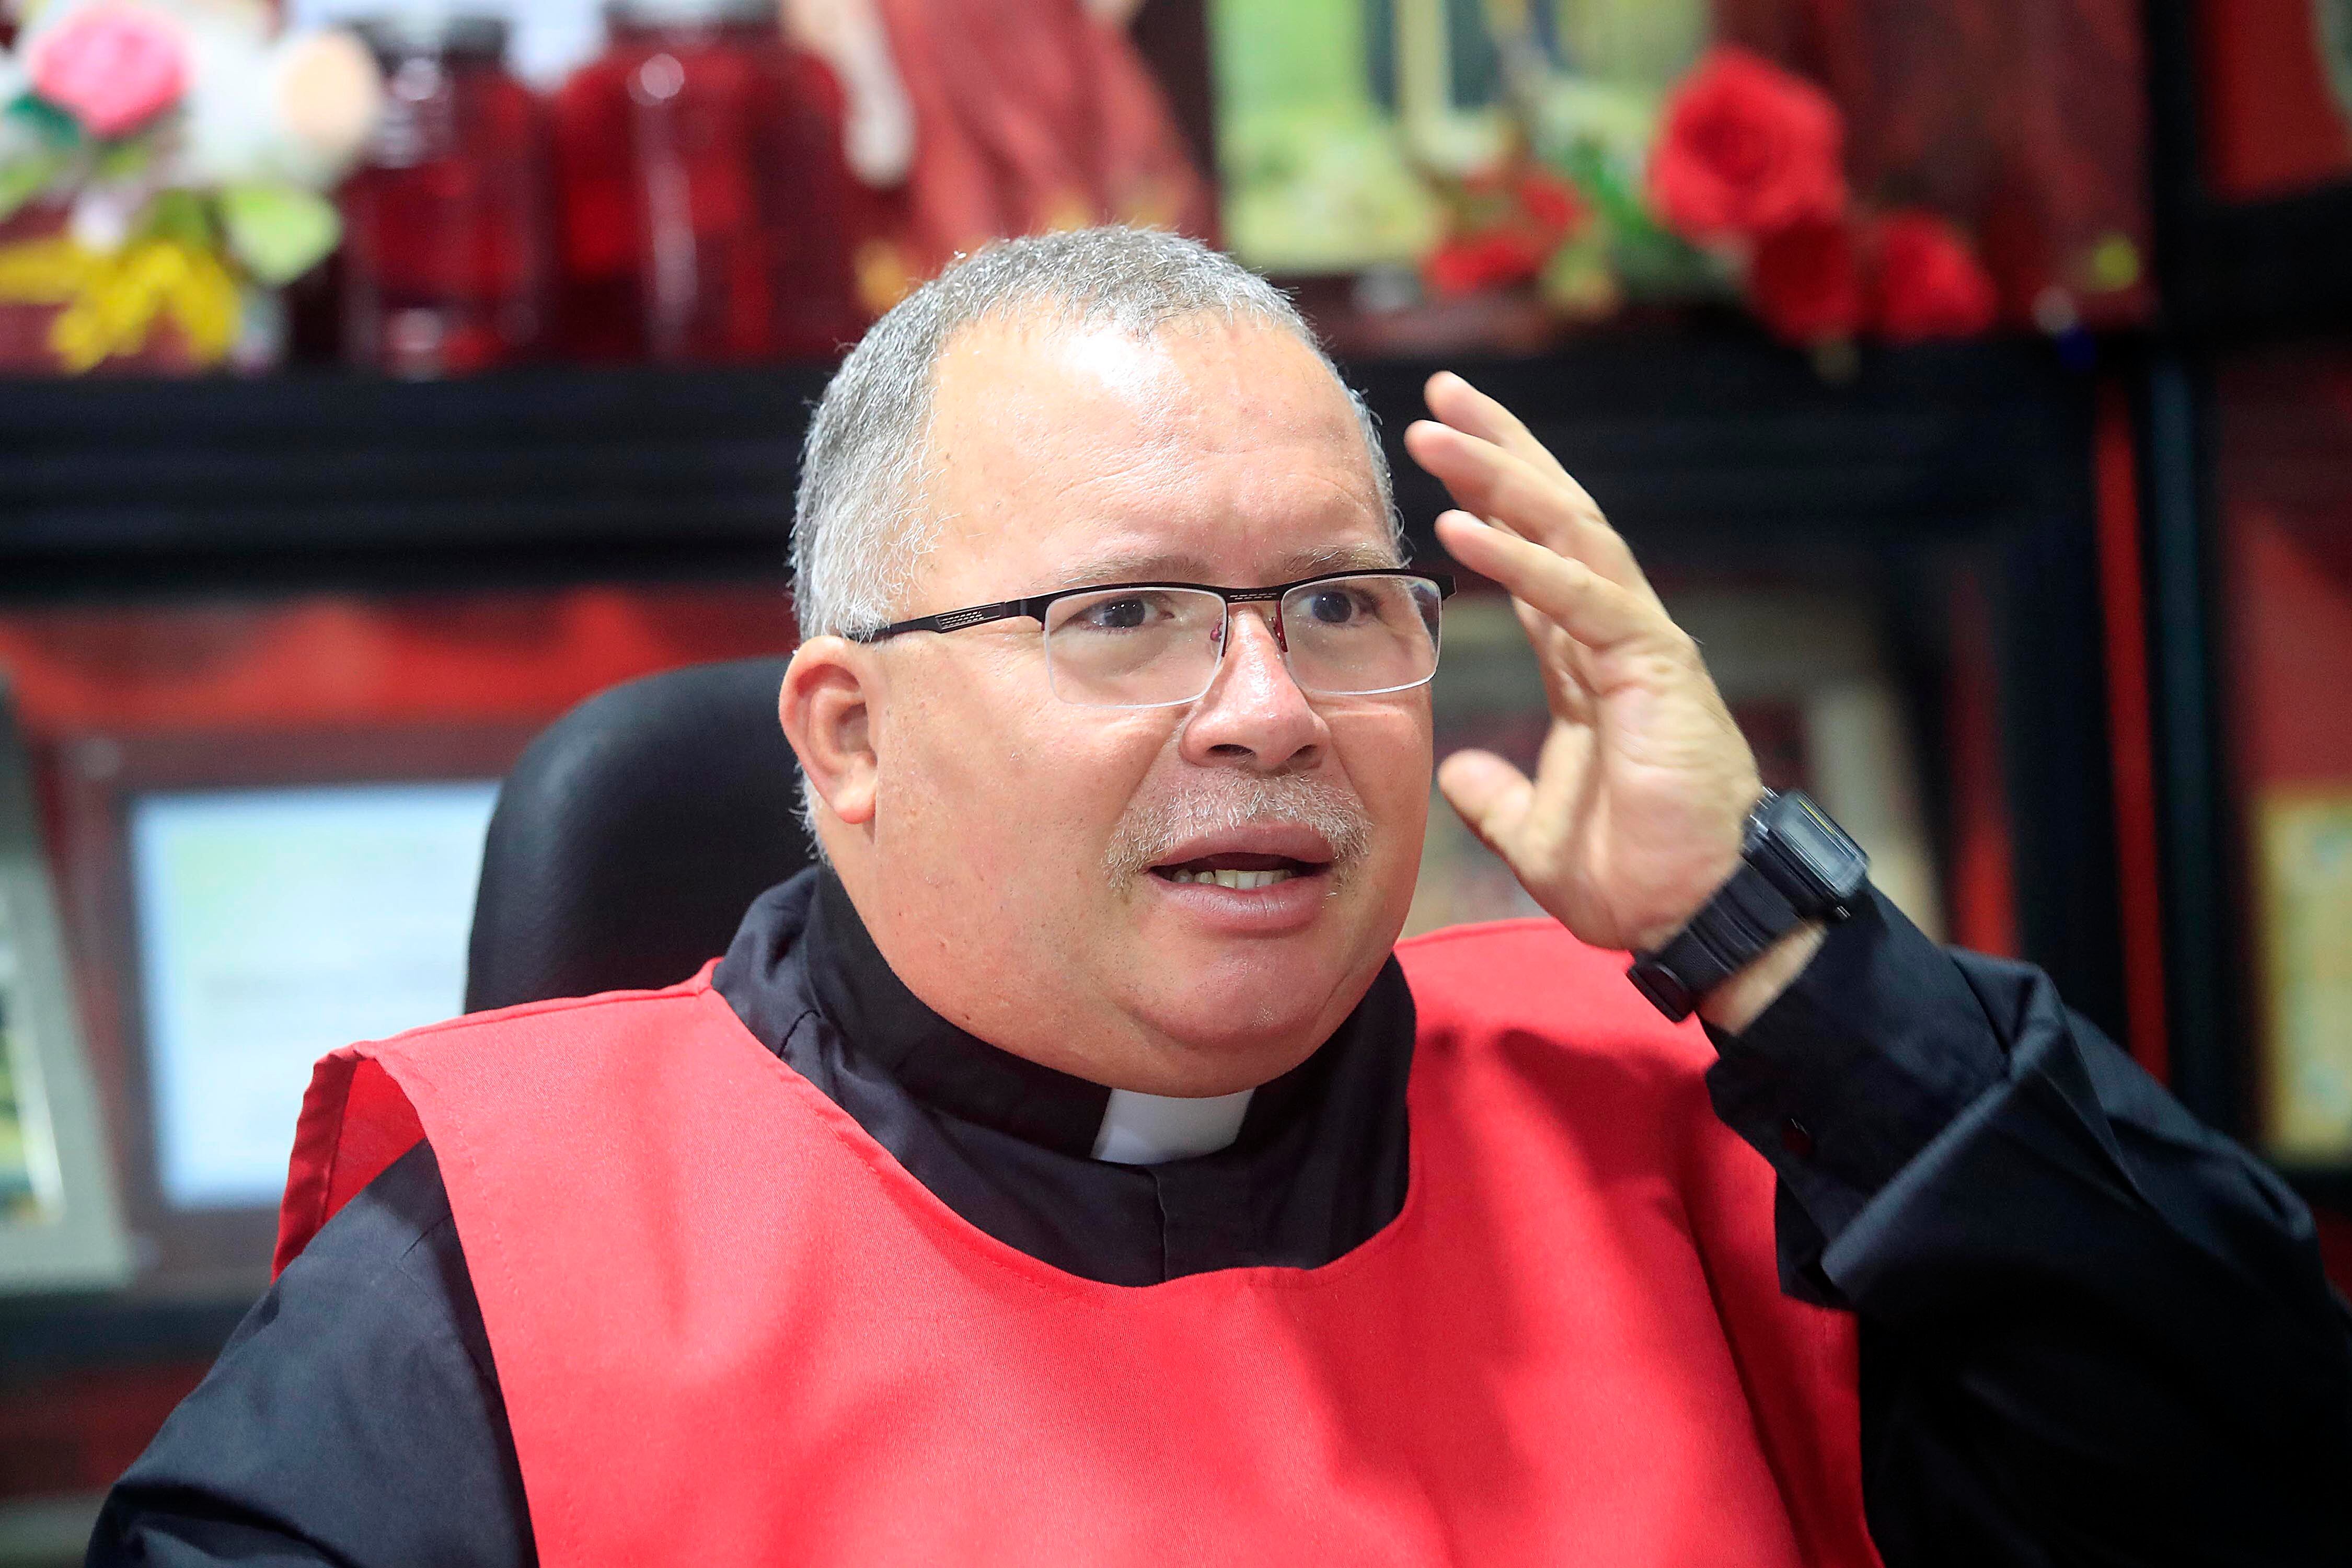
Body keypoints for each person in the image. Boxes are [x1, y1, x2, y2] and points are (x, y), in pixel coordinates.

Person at [92, 228, 2352, 1566]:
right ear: (846, 737)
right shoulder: (502, 1265)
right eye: (1127, 617)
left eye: (1341, 609)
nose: (1266, 708)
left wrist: (1768, 937)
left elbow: (2251, 1467)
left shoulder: (1696, 1103)